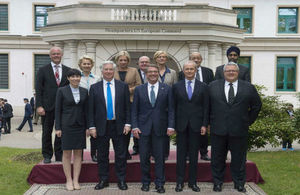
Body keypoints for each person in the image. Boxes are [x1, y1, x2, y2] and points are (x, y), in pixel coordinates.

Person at [208, 62, 261, 192]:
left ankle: (239, 183)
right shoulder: (212, 86)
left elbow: (257, 105)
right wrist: (208, 123)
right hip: (218, 129)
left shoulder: (248, 87)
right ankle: (217, 182)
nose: (231, 73)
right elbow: (206, 107)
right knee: (217, 158)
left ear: (238, 73)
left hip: (239, 129)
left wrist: (248, 121)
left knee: (239, 158)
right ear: (223, 73)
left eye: (234, 71)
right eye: (228, 71)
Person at [132, 64, 175, 193]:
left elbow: (171, 109)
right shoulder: (139, 89)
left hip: (160, 128)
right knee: (144, 157)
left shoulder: (166, 88)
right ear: (146, 74)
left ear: (158, 73)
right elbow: (134, 110)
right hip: (143, 129)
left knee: (160, 157)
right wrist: (135, 127)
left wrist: (171, 125)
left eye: (155, 72)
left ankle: (160, 183)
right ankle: (145, 182)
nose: (152, 74)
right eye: (150, 72)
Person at [89, 61, 131, 191]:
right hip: (101, 126)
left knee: (121, 155)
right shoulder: (94, 87)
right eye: (105, 69)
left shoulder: (123, 86)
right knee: (102, 155)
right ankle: (103, 180)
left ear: (114, 71)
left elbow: (127, 108)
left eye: (110, 69)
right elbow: (91, 109)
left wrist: (128, 123)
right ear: (102, 71)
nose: (108, 72)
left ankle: (121, 180)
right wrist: (92, 127)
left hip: (118, 125)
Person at [173, 61, 209, 192]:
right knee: (180, 155)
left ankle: (193, 182)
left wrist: (205, 124)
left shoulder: (204, 86)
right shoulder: (176, 86)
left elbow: (206, 107)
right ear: (183, 71)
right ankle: (179, 182)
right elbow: (173, 107)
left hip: (197, 125)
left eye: (191, 69)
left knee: (194, 156)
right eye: (187, 69)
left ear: (195, 71)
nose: (189, 71)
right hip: (181, 126)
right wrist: (173, 125)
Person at [55, 68, 89, 191]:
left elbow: (87, 111)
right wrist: (58, 127)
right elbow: (58, 110)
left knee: (79, 153)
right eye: (72, 76)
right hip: (66, 126)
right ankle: (68, 180)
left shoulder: (85, 91)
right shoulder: (61, 91)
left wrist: (88, 127)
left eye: (77, 76)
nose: (75, 78)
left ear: (80, 78)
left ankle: (76, 180)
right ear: (68, 78)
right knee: (67, 153)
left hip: (80, 126)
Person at [36, 46, 71, 164]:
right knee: (46, 132)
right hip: (47, 107)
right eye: (54, 54)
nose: (56, 55)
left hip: (63, 108)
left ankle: (59, 155)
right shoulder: (42, 70)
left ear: (61, 55)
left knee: (61, 131)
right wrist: (39, 106)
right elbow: (39, 89)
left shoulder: (68, 70)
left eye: (58, 53)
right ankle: (47, 155)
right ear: (50, 56)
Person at [178, 52, 214, 161]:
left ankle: (204, 153)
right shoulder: (181, 74)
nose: (196, 60)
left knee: (202, 134)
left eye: (198, 58)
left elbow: (211, 87)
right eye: (193, 58)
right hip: (187, 106)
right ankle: (188, 153)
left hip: (201, 105)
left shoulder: (208, 72)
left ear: (201, 59)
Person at [114, 51, 141, 160]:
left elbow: (139, 85)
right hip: (116, 103)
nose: (123, 62)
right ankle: (121, 151)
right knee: (119, 128)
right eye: (121, 60)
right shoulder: (112, 70)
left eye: (125, 60)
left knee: (130, 126)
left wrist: (127, 90)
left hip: (131, 101)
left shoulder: (134, 70)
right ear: (117, 61)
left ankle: (131, 149)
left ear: (128, 61)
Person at [154, 50, 177, 160]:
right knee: (154, 130)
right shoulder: (151, 71)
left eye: (163, 57)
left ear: (166, 59)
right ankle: (154, 153)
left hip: (168, 105)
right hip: (153, 105)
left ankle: (165, 153)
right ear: (156, 59)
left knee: (165, 130)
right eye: (159, 57)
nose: (161, 59)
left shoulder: (172, 72)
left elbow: (175, 88)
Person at [78, 55, 101, 162]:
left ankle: (94, 154)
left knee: (94, 133)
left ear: (92, 65)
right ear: (80, 65)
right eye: (84, 63)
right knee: (81, 132)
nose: (86, 65)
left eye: (88, 64)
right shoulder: (77, 77)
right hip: (80, 108)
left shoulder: (97, 78)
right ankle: (80, 155)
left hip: (95, 108)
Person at [132, 56, 151, 156]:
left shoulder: (153, 72)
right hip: (138, 101)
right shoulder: (135, 72)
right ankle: (136, 147)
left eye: (146, 62)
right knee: (137, 125)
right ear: (138, 64)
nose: (144, 64)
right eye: (142, 62)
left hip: (151, 103)